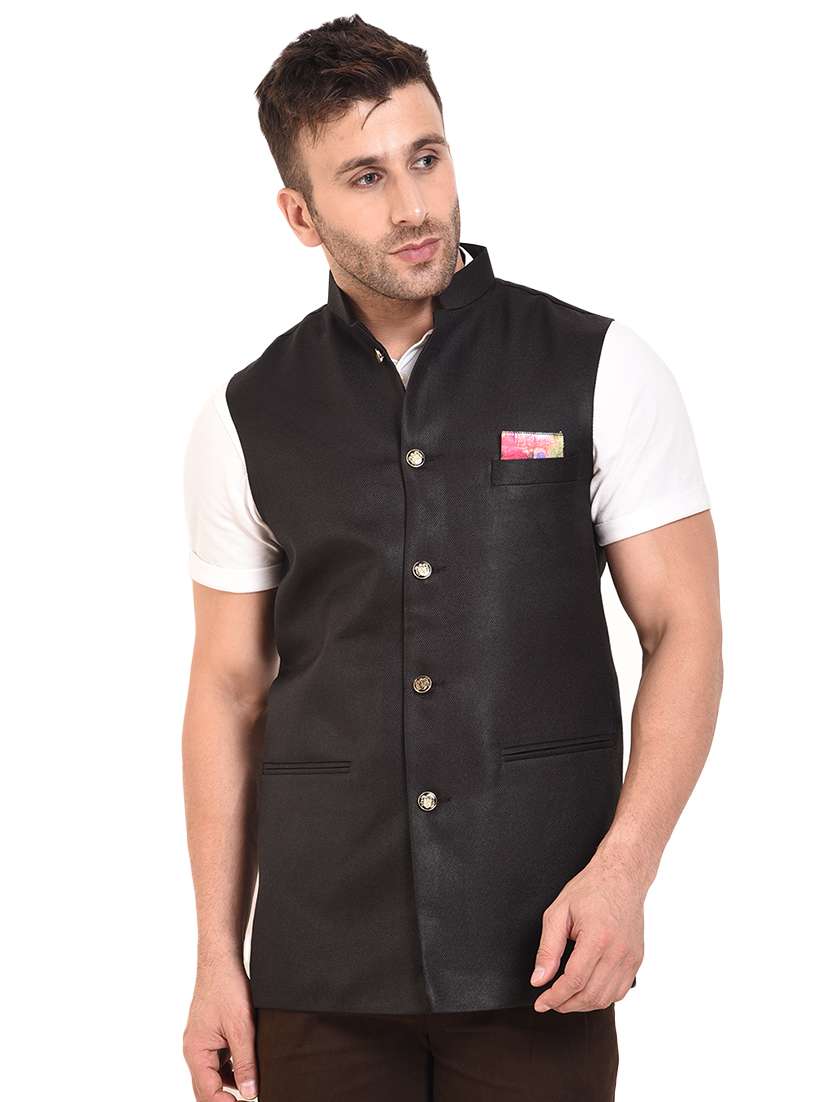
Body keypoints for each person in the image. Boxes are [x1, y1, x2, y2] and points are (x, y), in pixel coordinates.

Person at [181, 14, 723, 1101]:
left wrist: (625, 872)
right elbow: (228, 688)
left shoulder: (600, 367)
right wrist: (214, 960)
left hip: (543, 953)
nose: (414, 206)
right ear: (299, 214)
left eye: (426, 157)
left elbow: (685, 632)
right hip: (316, 967)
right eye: (366, 178)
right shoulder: (247, 415)